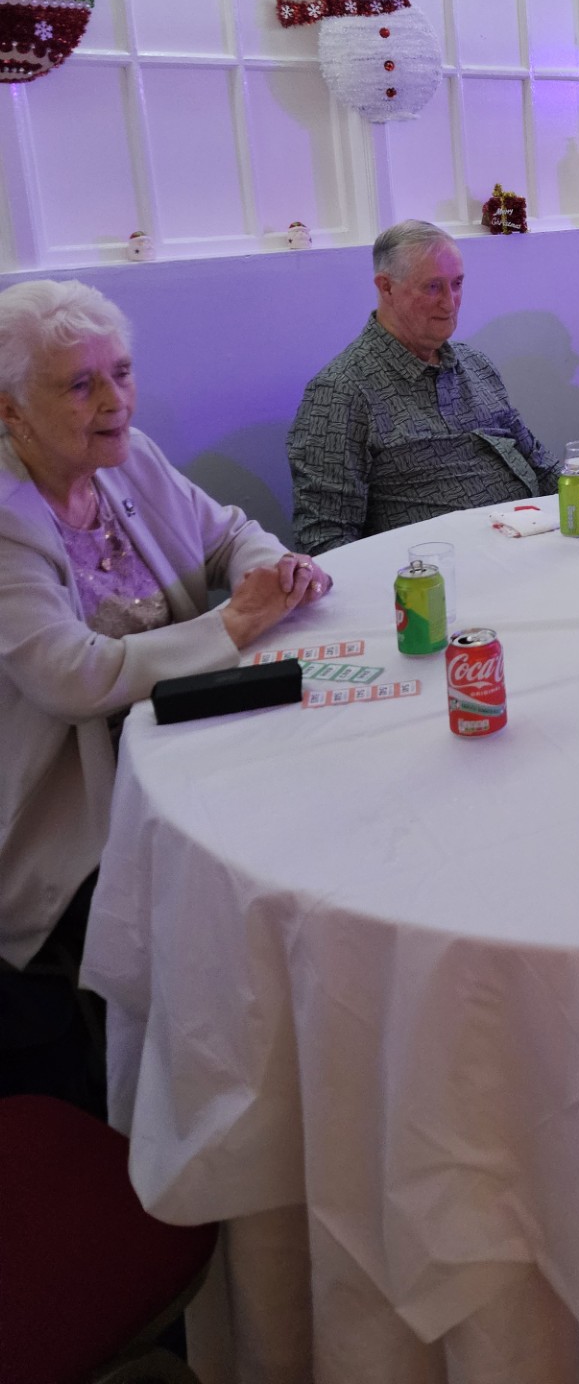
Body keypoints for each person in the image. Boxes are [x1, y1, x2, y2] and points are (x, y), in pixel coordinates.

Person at [0, 280, 329, 1023]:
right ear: (10, 410)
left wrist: (275, 571)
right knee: (250, 909)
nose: (115, 401)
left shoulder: (126, 459)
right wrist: (234, 624)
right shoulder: (9, 521)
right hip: (81, 811)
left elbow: (230, 534)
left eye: (121, 372)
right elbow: (72, 678)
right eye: (80, 385)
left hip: (191, 741)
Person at [288, 220, 561, 555]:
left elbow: (542, 465)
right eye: (433, 287)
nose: (450, 303)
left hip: (537, 544)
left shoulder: (475, 365)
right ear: (386, 287)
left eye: (457, 284)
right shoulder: (341, 392)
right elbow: (324, 540)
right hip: (439, 572)